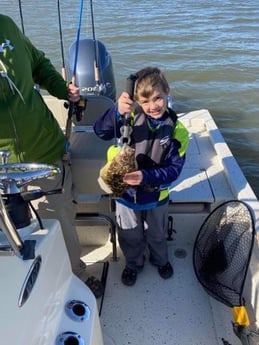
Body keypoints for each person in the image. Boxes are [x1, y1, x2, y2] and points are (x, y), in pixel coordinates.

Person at [0, 14, 103, 298]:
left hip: (45, 151)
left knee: (61, 220)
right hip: (3, 167)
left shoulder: (6, 25)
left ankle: (75, 278)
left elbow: (38, 65)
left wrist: (61, 88)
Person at [94, 67, 189, 286]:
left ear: (167, 92)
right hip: (125, 194)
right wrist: (116, 111)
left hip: (157, 195)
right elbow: (101, 131)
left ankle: (160, 260)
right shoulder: (129, 118)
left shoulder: (177, 130)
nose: (153, 106)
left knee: (157, 233)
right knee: (130, 235)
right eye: (145, 102)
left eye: (158, 99)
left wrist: (145, 177)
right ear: (137, 101)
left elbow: (174, 170)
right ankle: (133, 264)